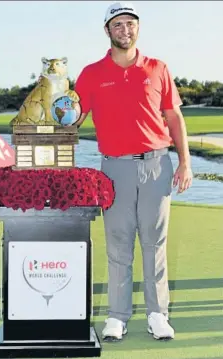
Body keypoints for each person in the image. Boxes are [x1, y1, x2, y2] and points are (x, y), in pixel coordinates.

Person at [74, 1, 193, 342]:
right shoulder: (91, 73)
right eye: (118, 25)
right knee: (118, 242)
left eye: (130, 23)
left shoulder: (158, 67)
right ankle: (117, 316)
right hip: (114, 168)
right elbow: (75, 117)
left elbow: (173, 118)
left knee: (155, 242)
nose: (125, 30)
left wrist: (185, 162)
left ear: (137, 28)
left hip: (157, 164)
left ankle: (157, 314)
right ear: (107, 31)